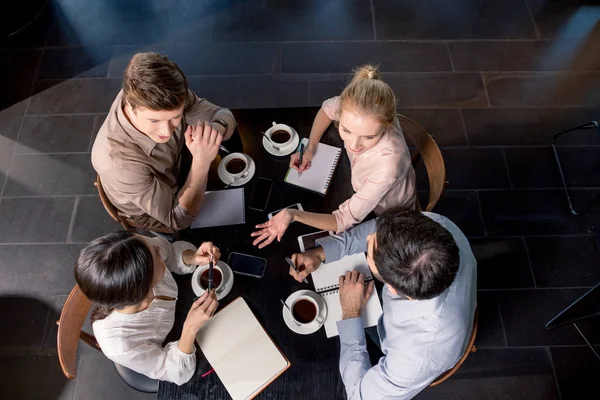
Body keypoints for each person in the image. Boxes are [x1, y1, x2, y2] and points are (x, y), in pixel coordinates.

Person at [288, 208, 477, 399]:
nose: (368, 237)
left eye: (370, 251)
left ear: (392, 288)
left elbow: (357, 395)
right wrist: (322, 253)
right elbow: (377, 229)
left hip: (411, 353)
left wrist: (351, 312)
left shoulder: (415, 356)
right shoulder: (437, 227)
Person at [251, 65, 416, 248]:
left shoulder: (388, 166)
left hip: (388, 212)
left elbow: (343, 220)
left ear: (388, 124)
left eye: (369, 137)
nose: (354, 145)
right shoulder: (356, 105)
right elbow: (326, 110)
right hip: (362, 185)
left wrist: (293, 214)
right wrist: (310, 148)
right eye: (346, 130)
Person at [92, 52, 238, 234]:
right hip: (155, 214)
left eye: (175, 117)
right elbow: (178, 219)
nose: (166, 131)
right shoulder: (119, 164)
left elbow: (223, 115)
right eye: (154, 121)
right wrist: (201, 164)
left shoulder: (159, 94)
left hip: (177, 168)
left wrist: (215, 130)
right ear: (130, 105)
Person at [74, 231, 221, 385]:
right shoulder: (119, 344)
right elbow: (173, 373)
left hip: (181, 306)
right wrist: (190, 327)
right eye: (157, 254)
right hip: (175, 348)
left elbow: (169, 253)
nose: (158, 247)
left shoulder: (139, 249)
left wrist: (192, 257)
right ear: (142, 288)